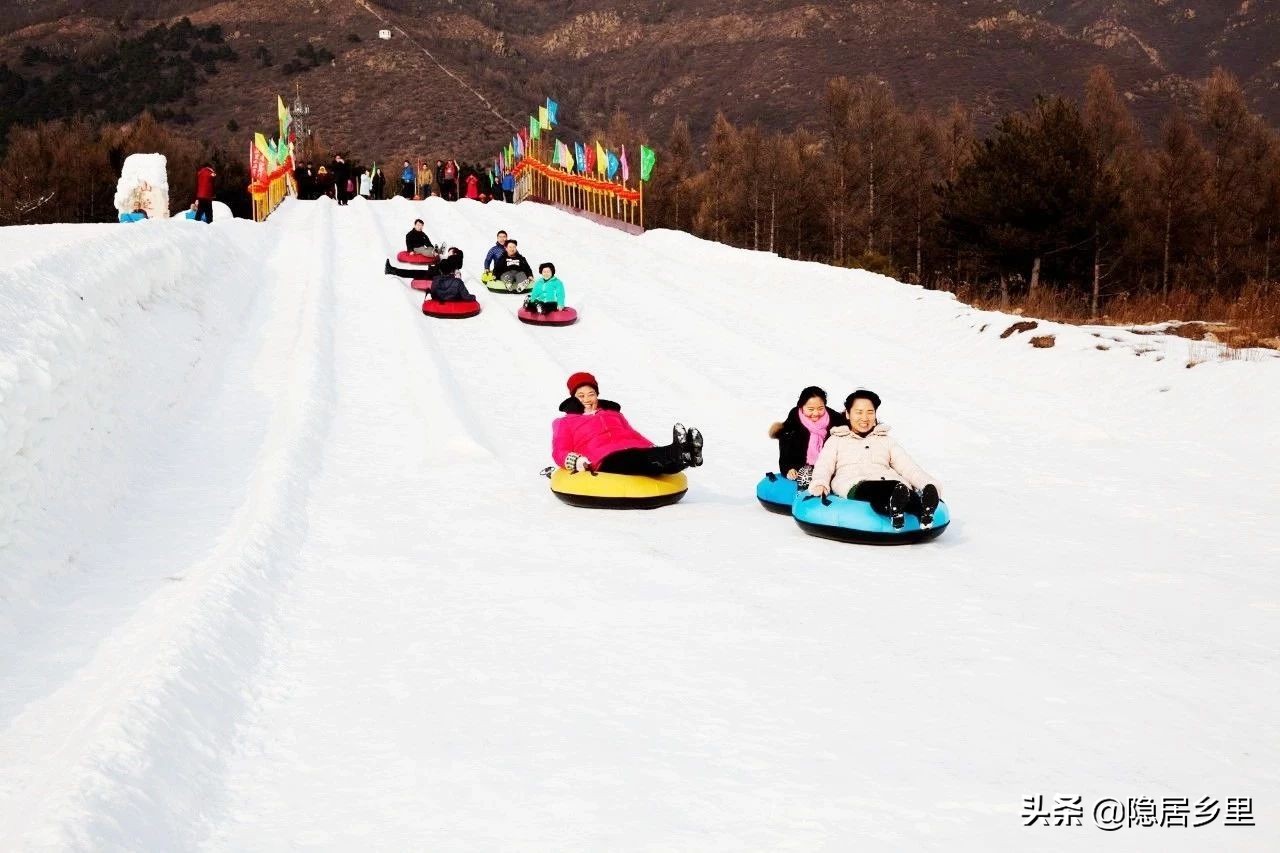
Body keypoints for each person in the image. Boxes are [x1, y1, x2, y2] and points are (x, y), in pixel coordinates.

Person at [807, 389, 942, 529]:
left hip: (890, 482)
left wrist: (927, 484)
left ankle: (923, 512)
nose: (865, 418)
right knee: (884, 489)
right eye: (859, 412)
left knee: (900, 489)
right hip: (854, 484)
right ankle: (896, 508)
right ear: (848, 414)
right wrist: (820, 483)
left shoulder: (886, 440)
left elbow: (908, 466)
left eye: (870, 412)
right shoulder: (836, 440)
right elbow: (824, 465)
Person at [552, 373, 704, 476]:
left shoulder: (614, 414)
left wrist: (651, 446)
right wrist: (576, 461)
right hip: (603, 457)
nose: (587, 399)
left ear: (597, 395)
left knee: (654, 461)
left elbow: (632, 433)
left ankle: (688, 454)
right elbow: (559, 450)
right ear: (573, 398)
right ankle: (678, 451)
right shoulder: (565, 422)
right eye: (581, 395)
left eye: (591, 394)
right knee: (636, 459)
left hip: (632, 448)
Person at [768, 386, 848, 486]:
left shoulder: (836, 420)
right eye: (811, 409)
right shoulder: (793, 425)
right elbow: (786, 455)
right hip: (802, 470)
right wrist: (789, 469)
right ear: (802, 406)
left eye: (820, 408)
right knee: (806, 479)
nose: (815, 413)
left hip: (830, 470)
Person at [385, 247, 460, 279]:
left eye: (450, 251)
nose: (449, 252)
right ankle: (392, 270)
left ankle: (391, 270)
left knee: (412, 273)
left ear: (455, 254)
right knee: (412, 272)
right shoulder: (454, 262)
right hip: (434, 274)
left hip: (434, 275)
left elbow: (443, 268)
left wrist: (437, 263)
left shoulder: (452, 261)